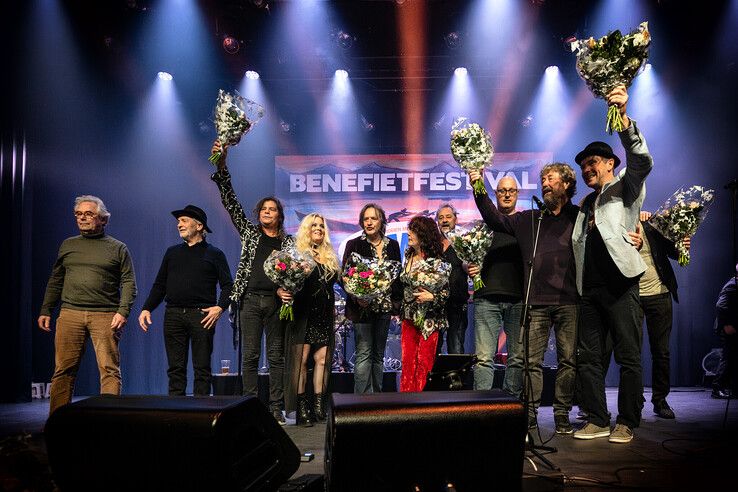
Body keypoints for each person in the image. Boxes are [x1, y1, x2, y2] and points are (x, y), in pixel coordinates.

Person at [469, 166, 580, 434]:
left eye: (550, 179)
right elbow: (494, 218)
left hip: (567, 300)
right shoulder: (530, 218)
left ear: (566, 185)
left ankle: (561, 413)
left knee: (567, 360)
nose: (544, 183)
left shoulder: (578, 216)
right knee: (528, 363)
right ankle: (524, 413)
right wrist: (477, 184)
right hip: (536, 301)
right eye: (542, 180)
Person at [572, 85, 653, 444]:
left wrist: (621, 117)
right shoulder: (584, 204)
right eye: (583, 165)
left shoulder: (627, 188)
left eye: (593, 162)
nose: (587, 168)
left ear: (610, 164)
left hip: (621, 284)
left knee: (628, 356)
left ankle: (628, 421)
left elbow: (641, 160)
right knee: (589, 359)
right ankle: (597, 418)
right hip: (589, 290)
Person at [211, 140, 294, 424]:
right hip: (248, 300)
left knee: (276, 357)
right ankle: (249, 405)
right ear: (258, 214)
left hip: (274, 302)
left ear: (280, 215)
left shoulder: (288, 242)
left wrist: (289, 290)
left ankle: (275, 407)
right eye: (263, 209)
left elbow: (296, 273)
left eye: (272, 209)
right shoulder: (249, 232)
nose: (267, 212)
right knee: (249, 356)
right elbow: (229, 199)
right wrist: (222, 163)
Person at [38, 195, 137, 415]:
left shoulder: (118, 248)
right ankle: (58, 423)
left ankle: (107, 423)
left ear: (103, 219)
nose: (82, 218)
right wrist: (46, 309)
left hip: (105, 315)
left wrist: (122, 311)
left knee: (109, 370)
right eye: (79, 214)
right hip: (70, 313)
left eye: (89, 214)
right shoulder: (68, 245)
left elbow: (129, 282)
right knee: (63, 370)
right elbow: (56, 279)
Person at [138, 205, 233, 396]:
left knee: (202, 368)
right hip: (173, 315)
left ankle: (201, 413)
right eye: (178, 221)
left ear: (199, 226)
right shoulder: (172, 252)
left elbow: (228, 285)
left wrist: (220, 308)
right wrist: (147, 308)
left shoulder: (214, 254)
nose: (179, 224)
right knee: (175, 369)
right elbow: (160, 285)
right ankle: (176, 413)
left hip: (202, 315)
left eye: (183, 220)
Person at [464, 177, 524, 396]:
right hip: (486, 298)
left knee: (517, 358)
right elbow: (465, 257)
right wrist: (468, 265)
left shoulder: (524, 223)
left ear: (517, 194)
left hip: (518, 298)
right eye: (501, 191)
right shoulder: (483, 226)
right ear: (496, 194)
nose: (507, 194)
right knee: (483, 359)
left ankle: (511, 407)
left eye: (511, 191)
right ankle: (482, 409)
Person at [278, 213, 340, 426]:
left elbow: (343, 282)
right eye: (314, 225)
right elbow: (284, 280)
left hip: (323, 314)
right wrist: (281, 290)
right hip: (303, 312)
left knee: (322, 360)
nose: (319, 228)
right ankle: (302, 408)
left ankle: (318, 406)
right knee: (302, 361)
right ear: (306, 229)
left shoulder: (329, 256)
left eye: (321, 226)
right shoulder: (297, 254)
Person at [341, 203, 402, 394]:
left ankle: (376, 400)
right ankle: (360, 403)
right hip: (361, 307)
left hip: (384, 308)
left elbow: (397, 277)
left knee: (378, 356)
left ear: (381, 220)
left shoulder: (393, 245)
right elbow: (345, 276)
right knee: (364, 354)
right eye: (366, 219)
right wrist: (356, 296)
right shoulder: (354, 244)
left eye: (373, 218)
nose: (369, 222)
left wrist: (396, 306)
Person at [636, 211, 690, 419]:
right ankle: (635, 399)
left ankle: (660, 400)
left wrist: (682, 242)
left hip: (660, 293)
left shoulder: (651, 223)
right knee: (632, 353)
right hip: (632, 296)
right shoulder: (618, 223)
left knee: (661, 351)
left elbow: (674, 253)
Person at [399, 216, 450, 392]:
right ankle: (405, 406)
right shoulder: (408, 255)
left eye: (412, 230)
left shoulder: (437, 260)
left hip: (429, 320)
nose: (408, 233)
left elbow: (446, 293)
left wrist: (432, 296)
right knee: (407, 363)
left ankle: (422, 408)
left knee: (424, 363)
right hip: (408, 317)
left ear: (423, 234)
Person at [435, 203, 470, 354]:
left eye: (448, 217)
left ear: (455, 220)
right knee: (432, 350)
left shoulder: (464, 242)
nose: (444, 220)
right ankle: (433, 379)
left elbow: (473, 267)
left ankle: (456, 379)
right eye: (441, 218)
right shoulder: (432, 244)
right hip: (435, 305)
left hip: (457, 303)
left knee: (455, 348)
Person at [712, 264, 738, 399]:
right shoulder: (732, 285)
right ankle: (717, 387)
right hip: (728, 327)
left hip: (733, 326)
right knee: (727, 357)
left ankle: (727, 386)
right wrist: (726, 324)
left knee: (731, 357)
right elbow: (720, 305)